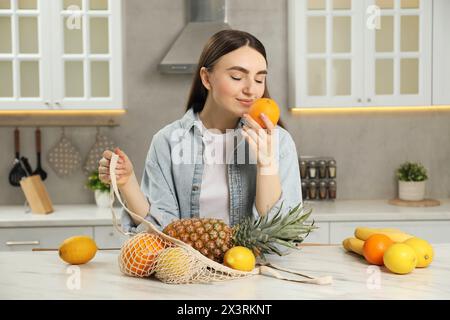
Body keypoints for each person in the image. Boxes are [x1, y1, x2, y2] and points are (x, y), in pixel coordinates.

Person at [98, 29, 302, 234]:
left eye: (259, 79)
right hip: (186, 265)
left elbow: (283, 236)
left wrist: (266, 164)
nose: (251, 90)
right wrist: (127, 183)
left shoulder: (279, 142)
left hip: (253, 265)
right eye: (237, 77)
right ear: (206, 78)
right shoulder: (168, 142)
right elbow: (162, 232)